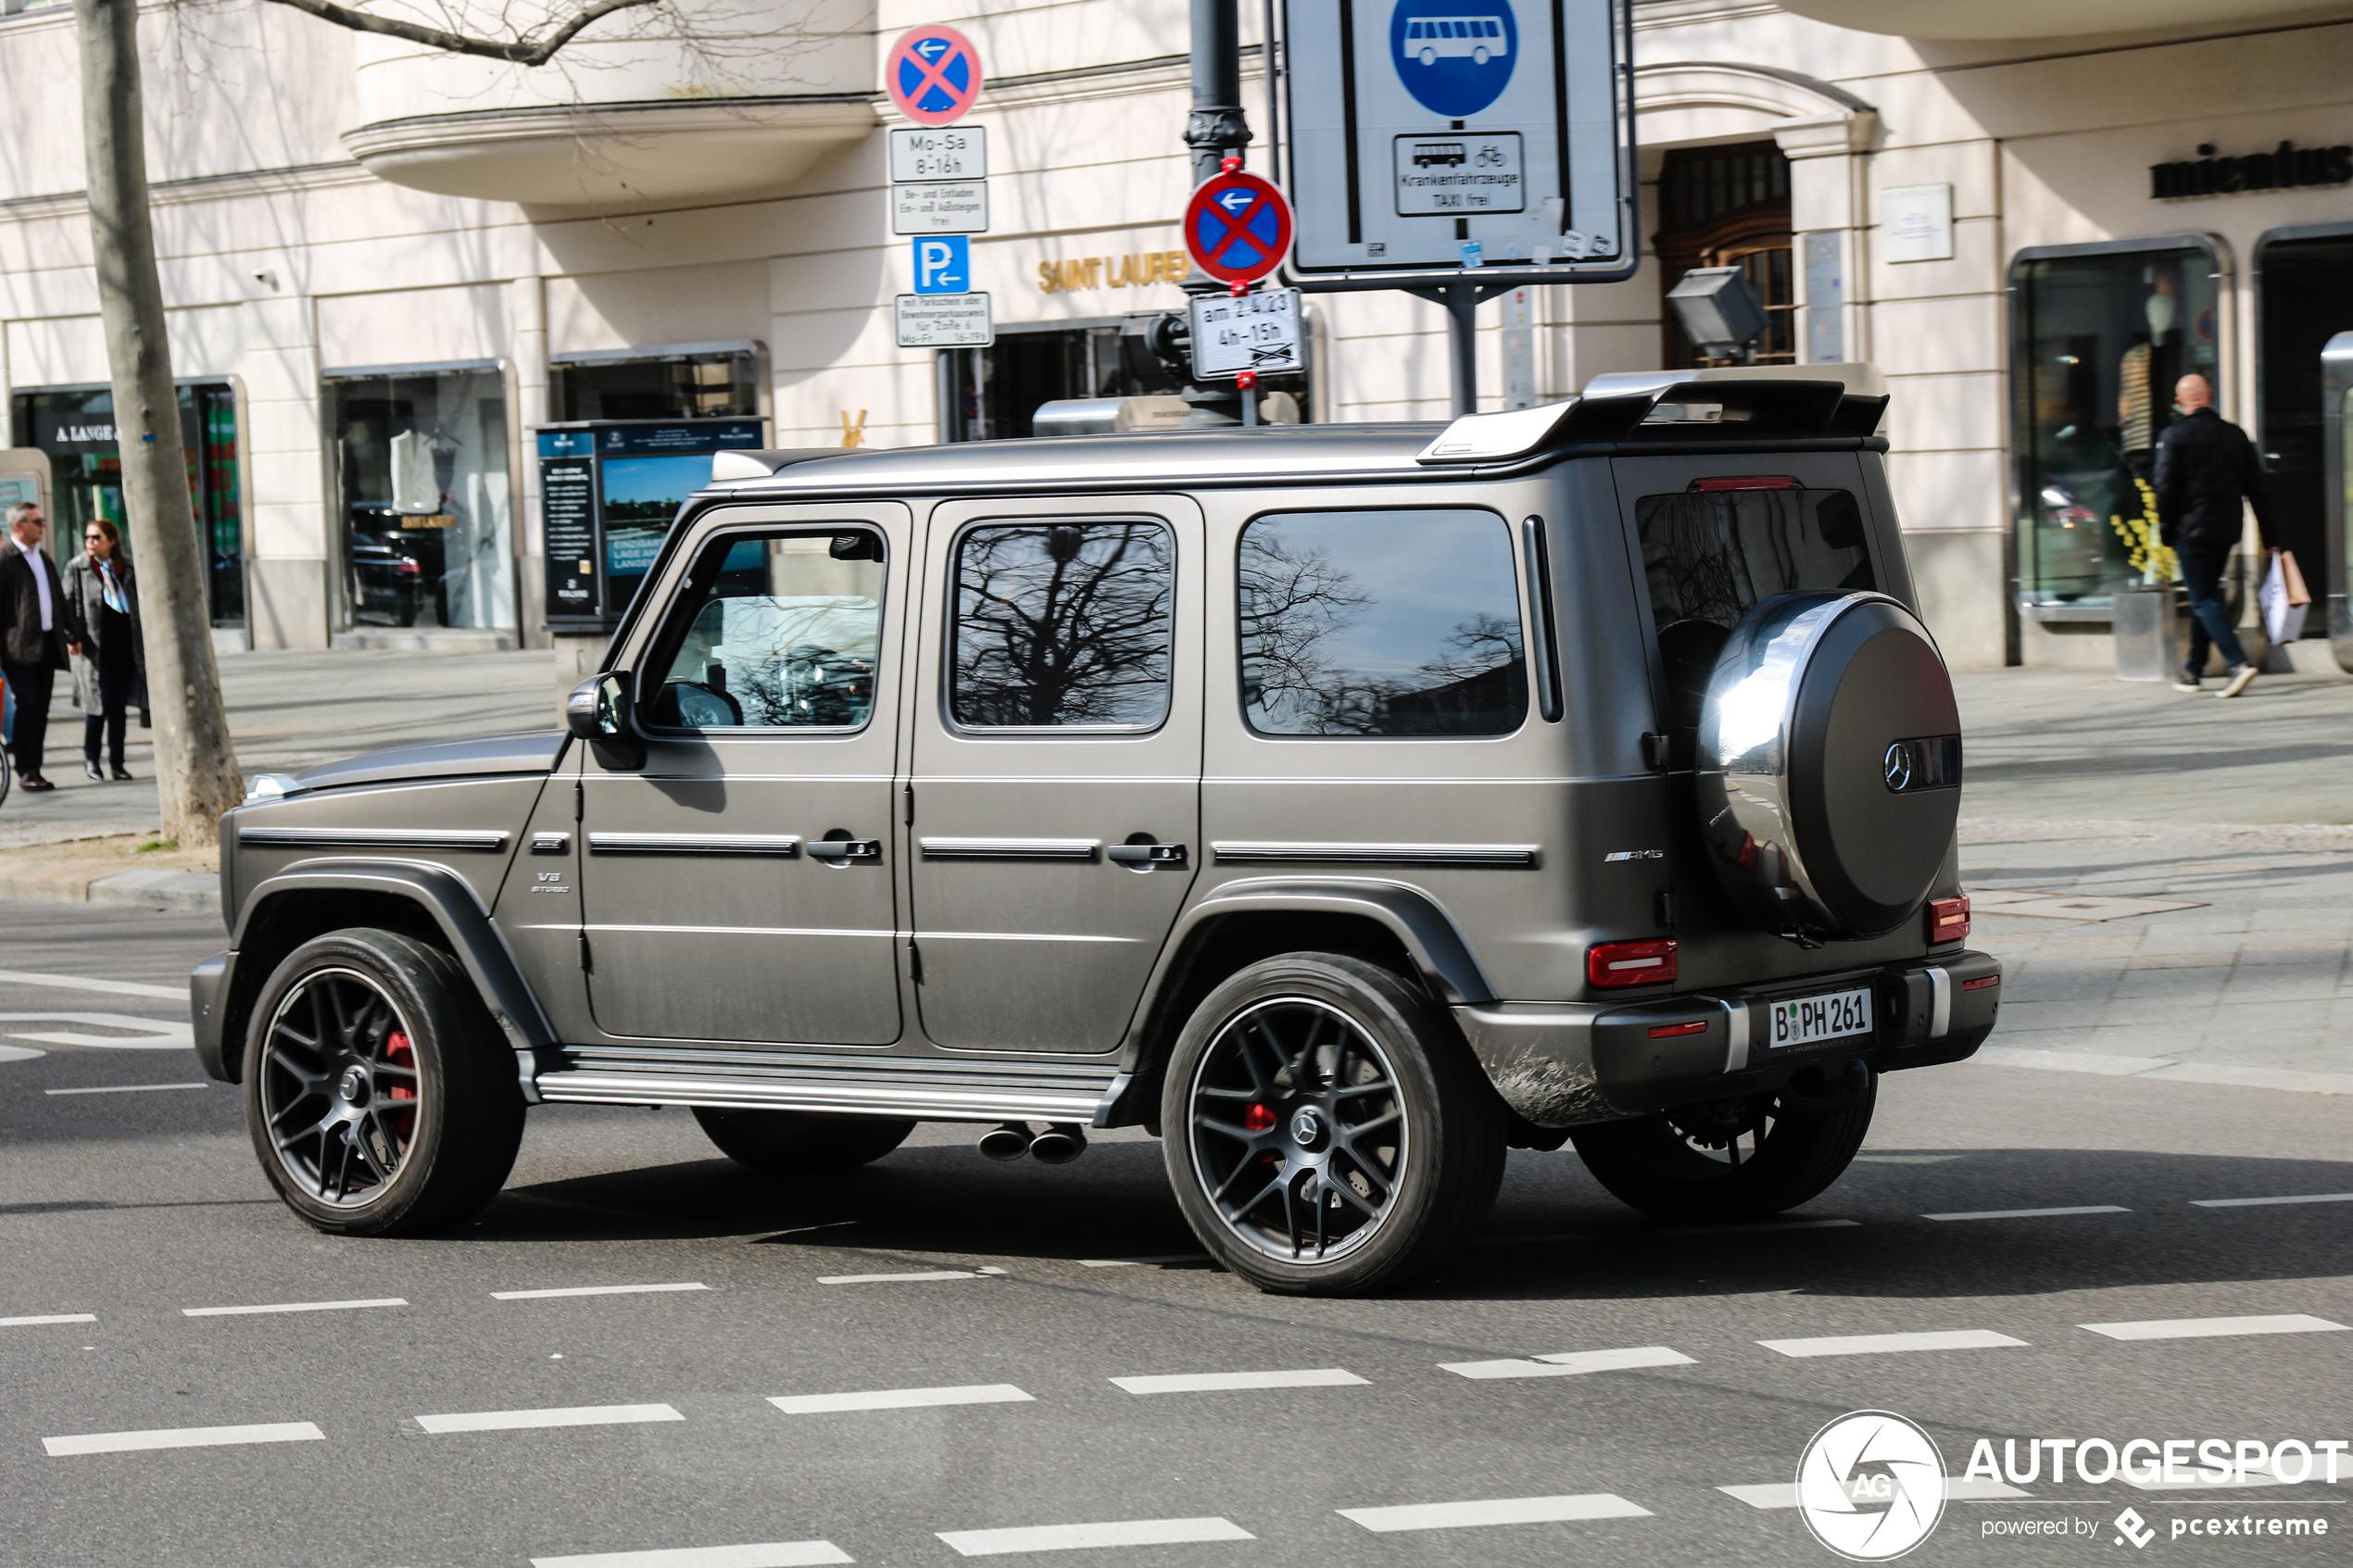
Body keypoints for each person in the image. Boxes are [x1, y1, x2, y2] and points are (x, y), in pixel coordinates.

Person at [2153, 373, 2266, 698]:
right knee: (2207, 597)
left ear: (2179, 402)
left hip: (2190, 531)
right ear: (2210, 395)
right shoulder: (2235, 435)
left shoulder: (2174, 436)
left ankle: (2237, 664)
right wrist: (2271, 536)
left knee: (2202, 599)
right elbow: (2257, 490)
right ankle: (2193, 670)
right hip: (2227, 529)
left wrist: (2165, 530)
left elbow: (2164, 487)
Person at [62, 517, 144, 782]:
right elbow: (66, 606)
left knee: (118, 709)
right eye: (87, 537)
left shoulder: (128, 566)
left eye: (96, 537)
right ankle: (91, 760)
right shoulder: (78, 567)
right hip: (94, 652)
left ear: (111, 540)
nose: (90, 542)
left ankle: (117, 764)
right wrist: (72, 636)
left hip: (125, 649)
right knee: (97, 707)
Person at [0, 501, 69, 790]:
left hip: (46, 645)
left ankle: (35, 768)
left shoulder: (44, 558)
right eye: (37, 522)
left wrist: (75, 635)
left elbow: (58, 602)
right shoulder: (6, 559)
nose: (43, 526)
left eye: (42, 521)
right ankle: (26, 769)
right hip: (16, 648)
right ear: (19, 525)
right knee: (28, 704)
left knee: (41, 709)